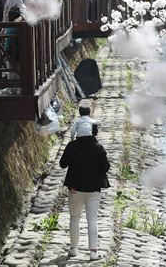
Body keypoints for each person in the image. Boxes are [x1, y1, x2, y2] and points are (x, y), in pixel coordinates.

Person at [60, 106, 109, 261]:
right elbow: (106, 167)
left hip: (75, 189)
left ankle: (73, 249)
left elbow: (62, 164)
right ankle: (93, 252)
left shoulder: (72, 147)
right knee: (92, 219)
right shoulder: (99, 148)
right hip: (94, 190)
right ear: (93, 132)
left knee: (74, 218)